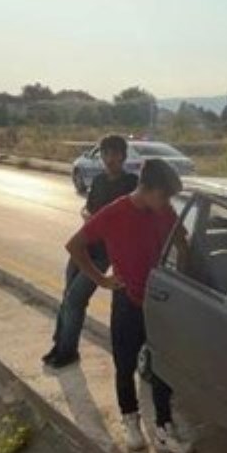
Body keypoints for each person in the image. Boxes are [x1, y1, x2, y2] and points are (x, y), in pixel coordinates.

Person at [65, 159, 194, 453]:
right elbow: (74, 245)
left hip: (158, 301)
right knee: (124, 365)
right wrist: (102, 279)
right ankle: (130, 420)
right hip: (126, 301)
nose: (167, 204)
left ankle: (164, 428)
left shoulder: (164, 211)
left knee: (162, 365)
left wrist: (177, 279)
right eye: (164, 197)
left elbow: (183, 244)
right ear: (147, 189)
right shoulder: (115, 212)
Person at [42, 134, 137, 368]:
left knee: (76, 299)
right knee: (68, 296)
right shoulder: (100, 181)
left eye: (114, 153)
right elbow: (88, 209)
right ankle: (60, 344)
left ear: (123, 156)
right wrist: (88, 217)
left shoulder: (131, 184)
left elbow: (130, 219)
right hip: (84, 246)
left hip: (104, 252)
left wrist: (101, 223)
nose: (109, 158)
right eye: (105, 153)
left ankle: (68, 351)